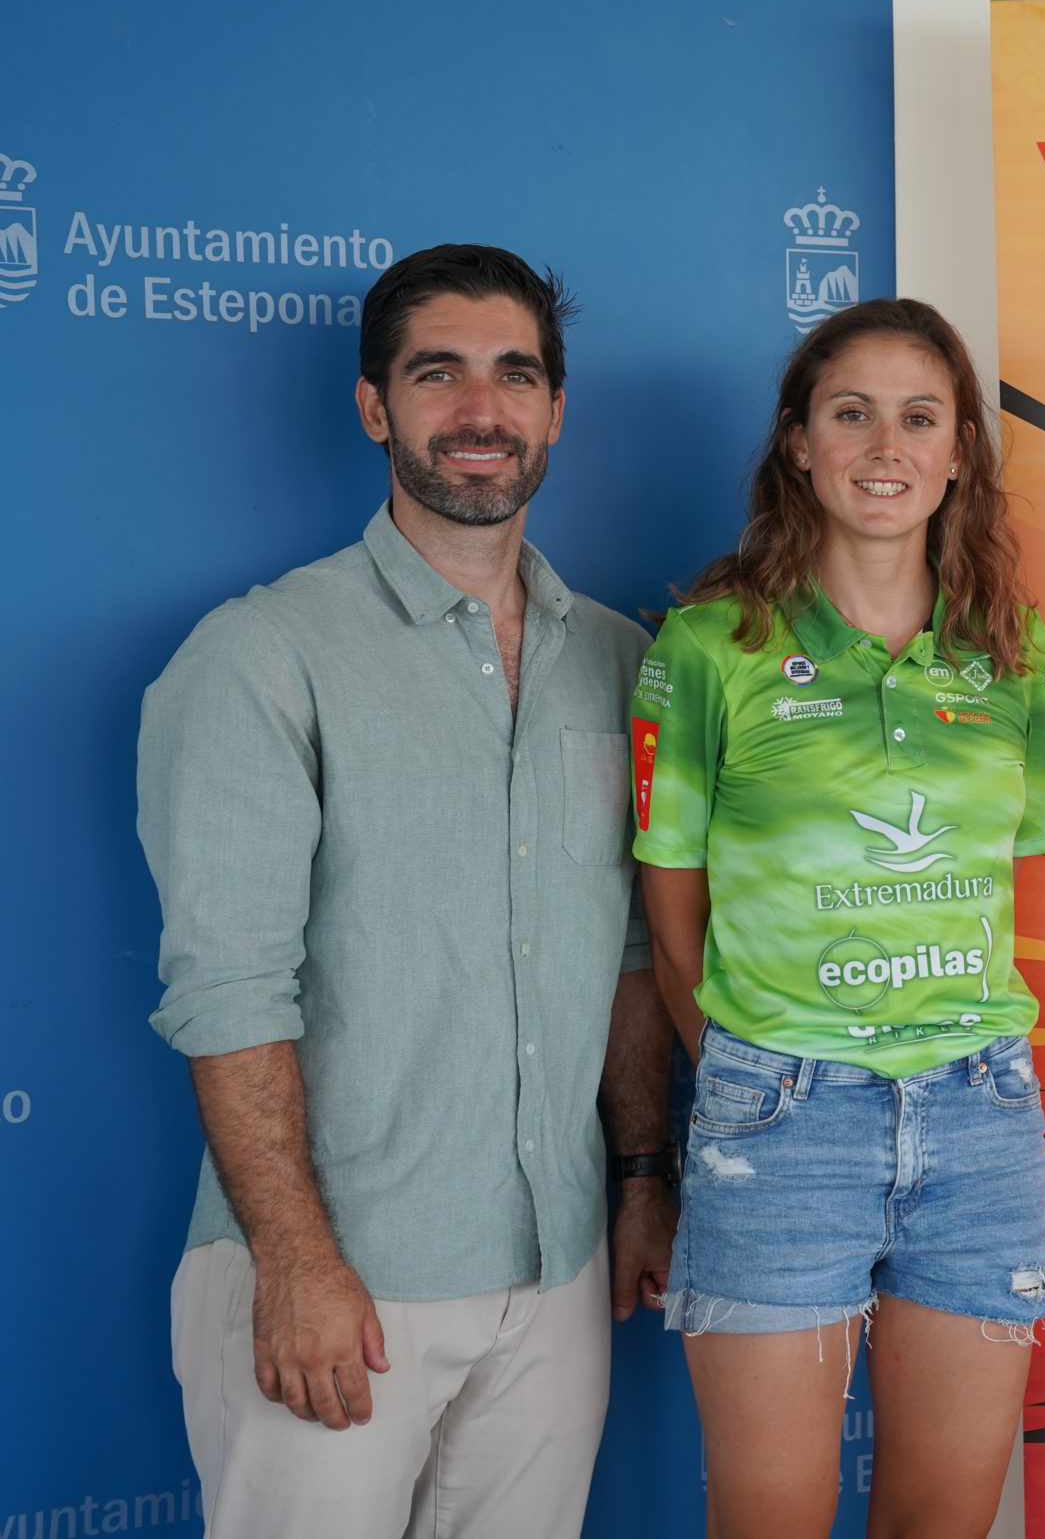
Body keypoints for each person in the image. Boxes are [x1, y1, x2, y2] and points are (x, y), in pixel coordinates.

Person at [138, 244, 678, 1537]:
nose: (481, 410)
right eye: (439, 374)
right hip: (340, 1277)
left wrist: (640, 1174)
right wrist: (295, 1260)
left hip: (555, 1274)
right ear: (375, 407)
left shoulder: (624, 660)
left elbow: (626, 953)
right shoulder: (263, 656)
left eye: (515, 375)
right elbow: (230, 989)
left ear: (556, 410)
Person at [634, 296, 1045, 1539]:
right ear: (798, 442)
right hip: (782, 1123)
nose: (885, 446)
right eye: (851, 413)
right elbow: (671, 916)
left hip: (980, 1119)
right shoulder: (710, 647)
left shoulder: (1011, 650)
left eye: (920, 418)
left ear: (960, 452)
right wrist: (753, 1080)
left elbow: (1002, 881)